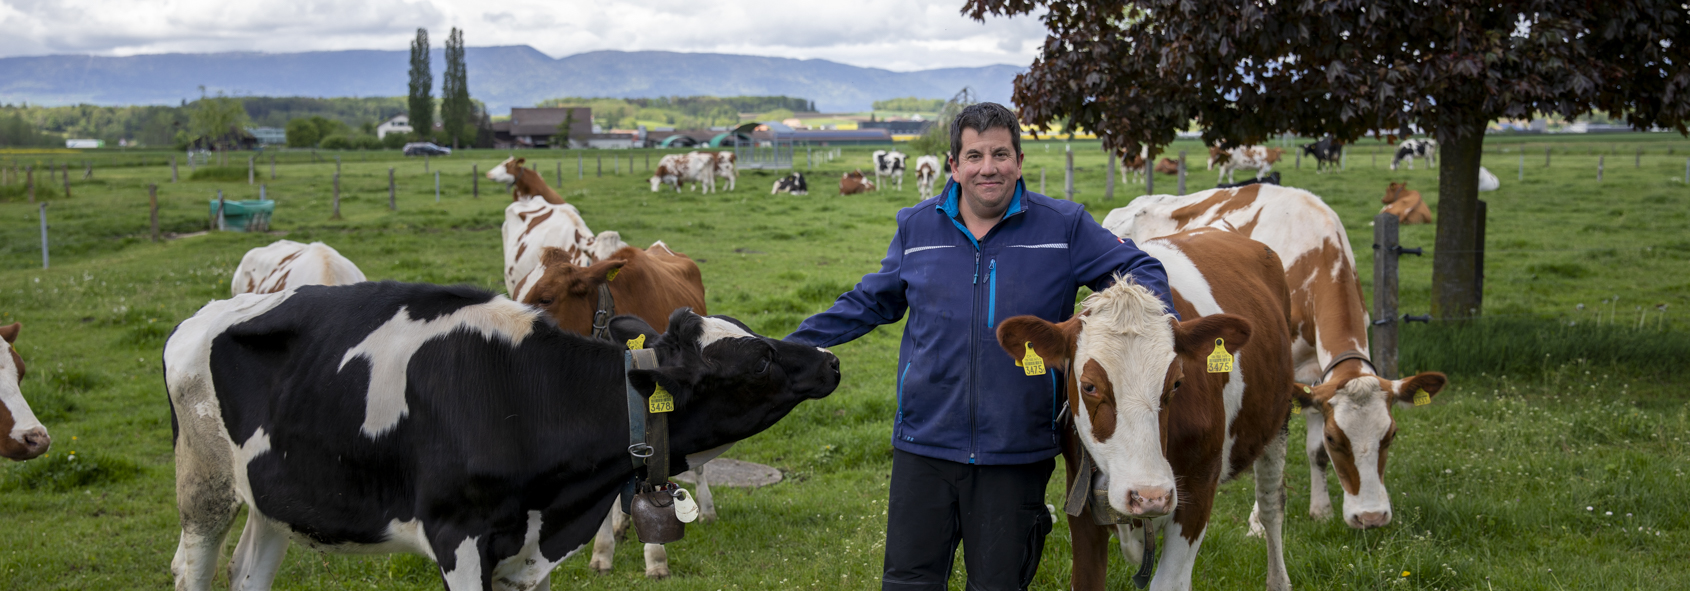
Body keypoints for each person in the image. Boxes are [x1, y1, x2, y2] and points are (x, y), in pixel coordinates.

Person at [785, 103, 1177, 590]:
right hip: (925, 442)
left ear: (1019, 161)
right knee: (909, 581)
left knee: (997, 584)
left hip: (1016, 448)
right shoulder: (917, 226)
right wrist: (792, 343)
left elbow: (1141, 270)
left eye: (1000, 154)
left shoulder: (1063, 227)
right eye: (974, 155)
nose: (987, 168)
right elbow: (871, 301)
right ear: (953, 165)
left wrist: (1157, 329)